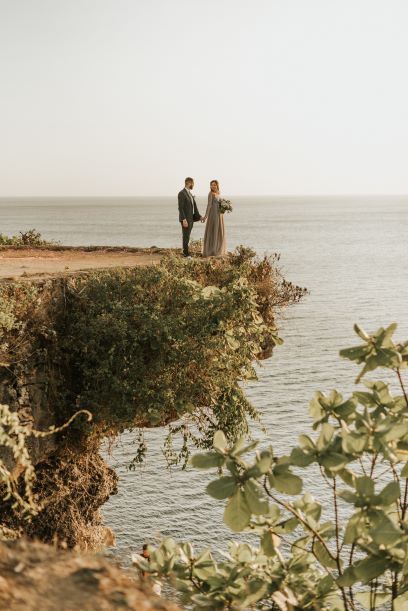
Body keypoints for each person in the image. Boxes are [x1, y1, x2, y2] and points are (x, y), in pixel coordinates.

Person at [178, 177, 202, 257]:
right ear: (189, 183)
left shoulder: (190, 194)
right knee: (186, 236)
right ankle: (185, 253)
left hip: (191, 219)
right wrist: (183, 219)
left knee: (187, 236)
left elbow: (194, 207)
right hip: (185, 219)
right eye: (193, 183)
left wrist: (200, 217)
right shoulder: (182, 193)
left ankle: (186, 251)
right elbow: (180, 208)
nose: (193, 185)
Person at [202, 179, 226, 257]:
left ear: (217, 185)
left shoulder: (218, 193)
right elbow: (209, 205)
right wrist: (206, 216)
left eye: (214, 185)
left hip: (219, 215)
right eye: (211, 185)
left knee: (218, 231)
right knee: (213, 231)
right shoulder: (211, 194)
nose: (213, 186)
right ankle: (212, 250)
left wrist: (224, 207)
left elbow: (220, 204)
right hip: (213, 215)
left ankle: (218, 249)